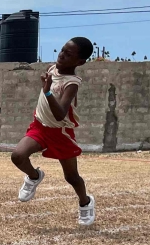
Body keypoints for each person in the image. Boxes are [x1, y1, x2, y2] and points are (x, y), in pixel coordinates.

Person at [10, 37, 96, 227]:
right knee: (17, 156)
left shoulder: (72, 83)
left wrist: (47, 91)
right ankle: (34, 177)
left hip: (60, 132)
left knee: (71, 177)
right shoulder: (51, 68)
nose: (62, 55)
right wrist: (47, 86)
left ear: (79, 62)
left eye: (68, 54)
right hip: (40, 126)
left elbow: (60, 114)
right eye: (62, 50)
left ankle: (85, 202)